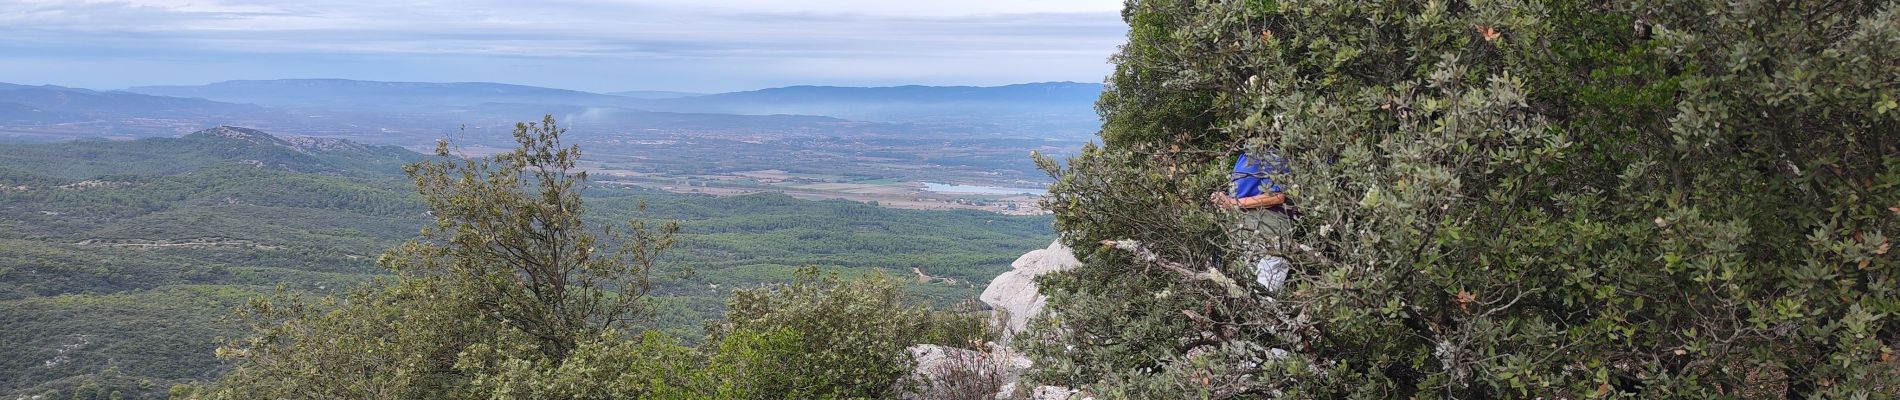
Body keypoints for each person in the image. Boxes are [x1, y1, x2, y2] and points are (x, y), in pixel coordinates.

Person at [1209, 150, 1295, 292]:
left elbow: (1277, 196)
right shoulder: (1243, 155)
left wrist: (1233, 203)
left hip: (1270, 232)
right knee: (1242, 295)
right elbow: (1241, 196)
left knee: (1264, 296)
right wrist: (1222, 198)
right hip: (1244, 237)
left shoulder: (1271, 152)